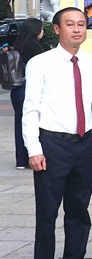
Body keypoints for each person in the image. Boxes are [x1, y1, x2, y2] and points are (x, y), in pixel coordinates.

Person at [22, 7, 92, 259]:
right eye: (70, 24)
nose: (77, 29)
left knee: (79, 209)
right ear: (57, 29)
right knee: (48, 211)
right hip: (52, 144)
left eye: (81, 24)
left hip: (84, 144)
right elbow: (30, 108)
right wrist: (34, 148)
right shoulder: (40, 63)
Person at [11, 18, 46, 169]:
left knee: (20, 123)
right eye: (42, 29)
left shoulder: (17, 45)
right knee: (33, 123)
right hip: (28, 88)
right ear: (36, 30)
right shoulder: (35, 47)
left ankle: (21, 160)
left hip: (16, 89)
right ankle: (33, 154)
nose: (43, 32)